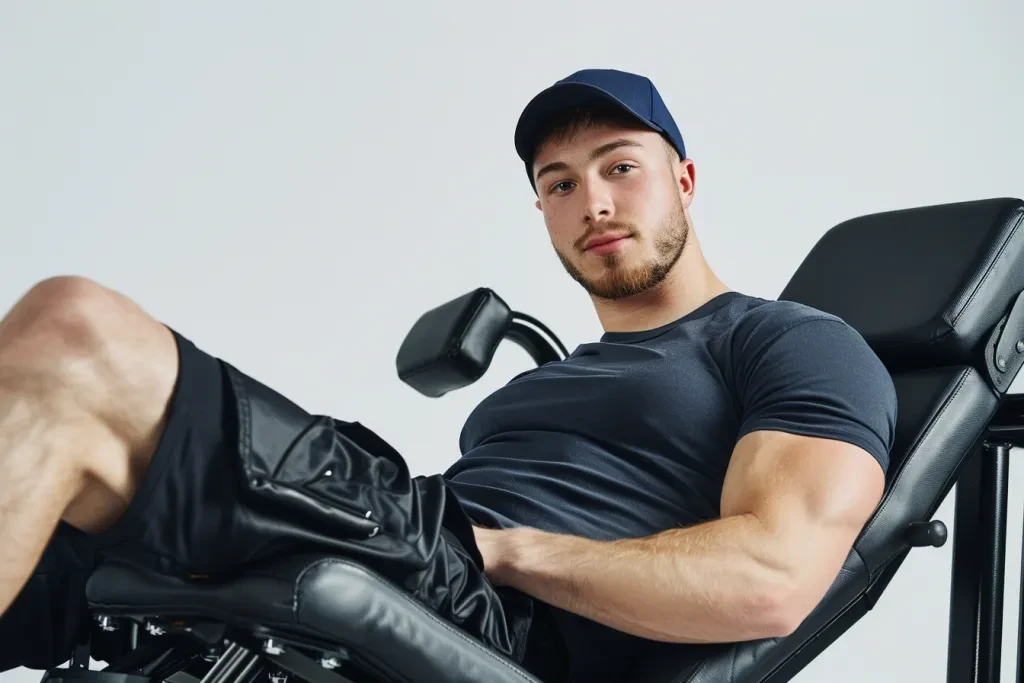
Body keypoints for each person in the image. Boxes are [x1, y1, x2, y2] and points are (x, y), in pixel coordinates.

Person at [0, 68, 897, 683]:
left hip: (474, 589)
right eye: (558, 183)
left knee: (74, 335)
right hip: (419, 533)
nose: (593, 203)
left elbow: (773, 575)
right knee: (54, 515)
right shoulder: (538, 390)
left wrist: (502, 548)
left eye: (622, 167)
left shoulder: (789, 340)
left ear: (686, 179)